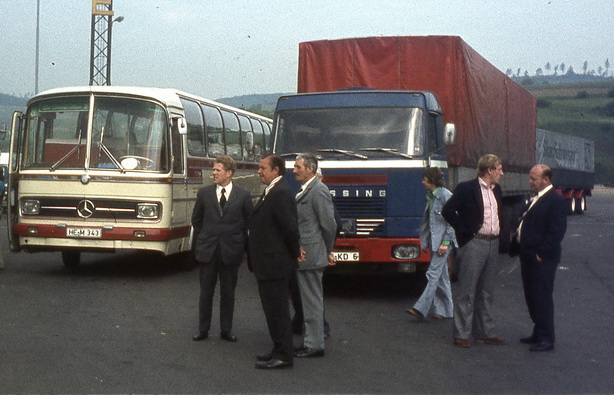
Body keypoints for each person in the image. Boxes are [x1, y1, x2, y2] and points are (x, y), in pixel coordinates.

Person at [441, 154, 506, 348]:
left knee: (486, 291)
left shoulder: (497, 190)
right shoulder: (467, 188)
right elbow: (448, 211)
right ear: (490, 170)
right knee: (467, 290)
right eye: (499, 169)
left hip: (492, 243)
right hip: (474, 242)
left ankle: (484, 332)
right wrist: (464, 232)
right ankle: (461, 333)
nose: (502, 173)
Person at [191, 155, 253, 343]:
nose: (214, 173)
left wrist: (238, 243)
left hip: (231, 252)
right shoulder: (204, 193)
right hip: (208, 251)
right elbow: (196, 220)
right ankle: (203, 329)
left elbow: (248, 223)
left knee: (228, 293)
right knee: (206, 292)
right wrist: (206, 237)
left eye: (218, 170)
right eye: (214, 170)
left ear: (229, 173)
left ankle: (226, 329)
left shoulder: (243, 196)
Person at [248, 154, 301, 369]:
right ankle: (278, 348)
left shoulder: (281, 193)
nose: (259, 171)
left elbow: (290, 228)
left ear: (276, 170)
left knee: (278, 310)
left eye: (262, 168)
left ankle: (284, 355)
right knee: (272, 310)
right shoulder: (273, 190)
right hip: (268, 263)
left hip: (274, 264)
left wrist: (294, 252)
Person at [512, 164, 567, 352]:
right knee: (531, 296)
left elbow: (556, 232)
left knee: (542, 297)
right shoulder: (535, 198)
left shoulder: (555, 201)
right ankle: (538, 331)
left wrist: (540, 253)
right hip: (527, 255)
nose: (530, 182)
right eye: (530, 178)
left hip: (542, 258)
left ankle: (547, 338)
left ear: (546, 180)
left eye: (533, 179)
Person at [293, 153, 337, 358]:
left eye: (298, 167)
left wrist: (326, 250)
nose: (294, 170)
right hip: (308, 253)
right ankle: (311, 341)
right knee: (309, 300)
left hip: (311, 254)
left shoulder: (318, 191)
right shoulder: (308, 189)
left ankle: (314, 345)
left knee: (312, 301)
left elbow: (329, 225)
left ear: (310, 169)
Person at [406, 167, 457, 320]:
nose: (422, 182)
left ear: (432, 180)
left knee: (432, 274)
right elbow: (428, 222)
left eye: (425, 180)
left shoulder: (446, 196)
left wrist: (445, 243)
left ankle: (421, 308)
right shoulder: (430, 196)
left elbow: (452, 222)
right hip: (434, 242)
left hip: (443, 243)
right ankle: (446, 311)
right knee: (442, 277)